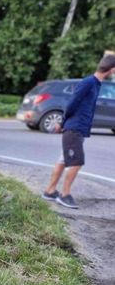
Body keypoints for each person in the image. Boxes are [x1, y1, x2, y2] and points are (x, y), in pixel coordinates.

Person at [42, 54, 115, 209]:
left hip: (79, 129)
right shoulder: (88, 82)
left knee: (63, 160)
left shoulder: (96, 84)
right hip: (74, 129)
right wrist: (62, 122)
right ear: (112, 69)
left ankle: (49, 191)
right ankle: (64, 195)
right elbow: (72, 103)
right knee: (76, 162)